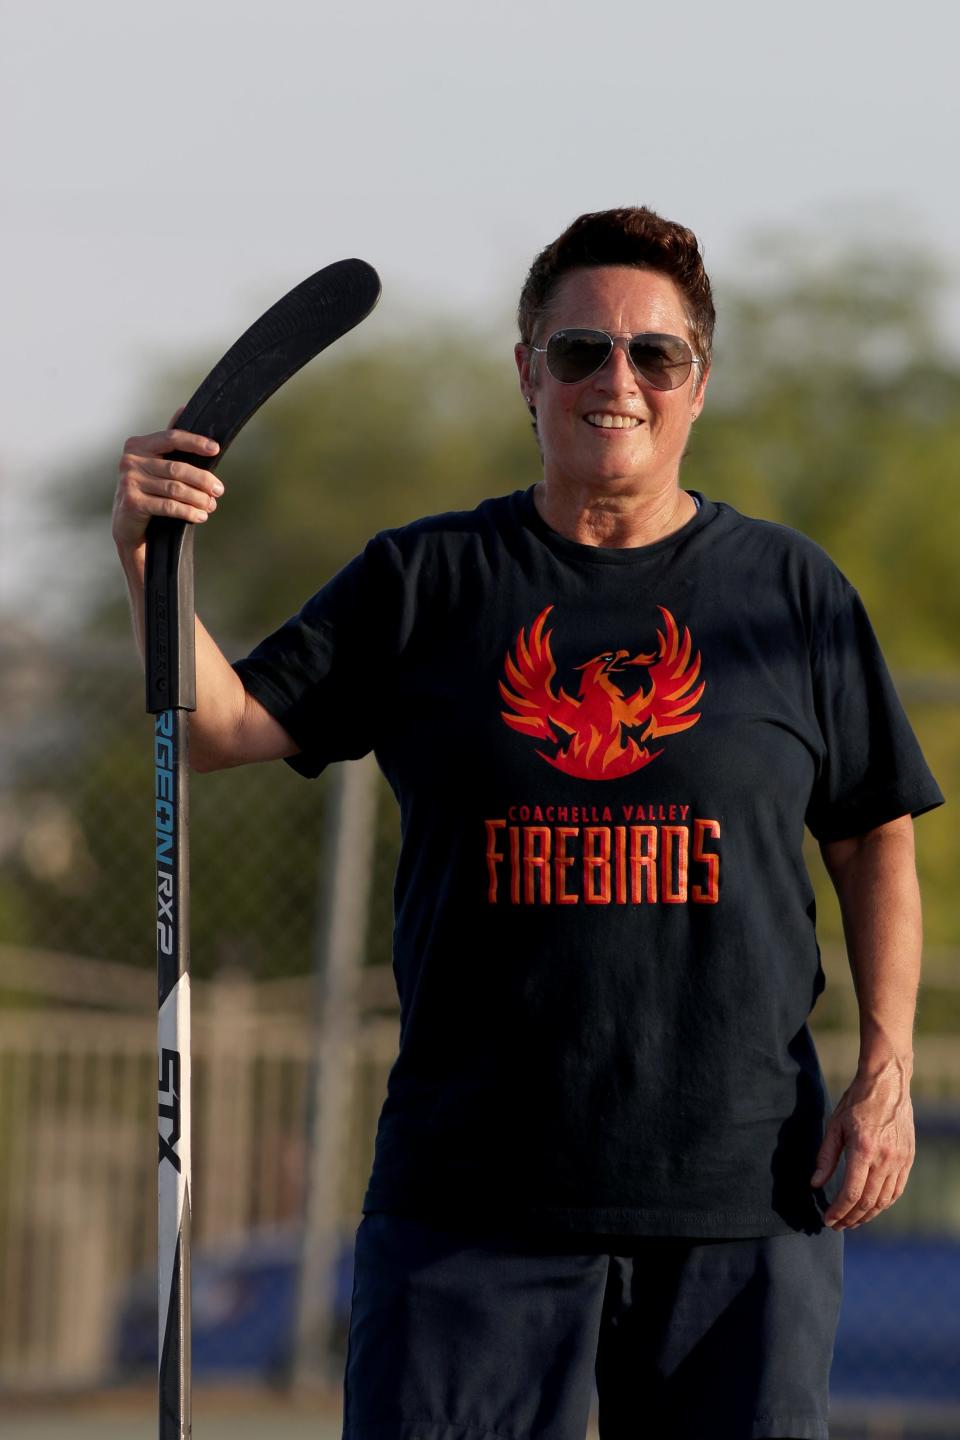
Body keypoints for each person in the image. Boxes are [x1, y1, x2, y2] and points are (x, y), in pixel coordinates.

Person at [114, 207, 943, 1440]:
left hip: (740, 1204)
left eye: (654, 355)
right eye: (579, 352)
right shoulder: (426, 582)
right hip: (471, 1210)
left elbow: (874, 833)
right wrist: (147, 556)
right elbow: (227, 724)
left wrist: (887, 1069)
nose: (617, 381)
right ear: (528, 374)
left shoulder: (790, 593)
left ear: (698, 384)